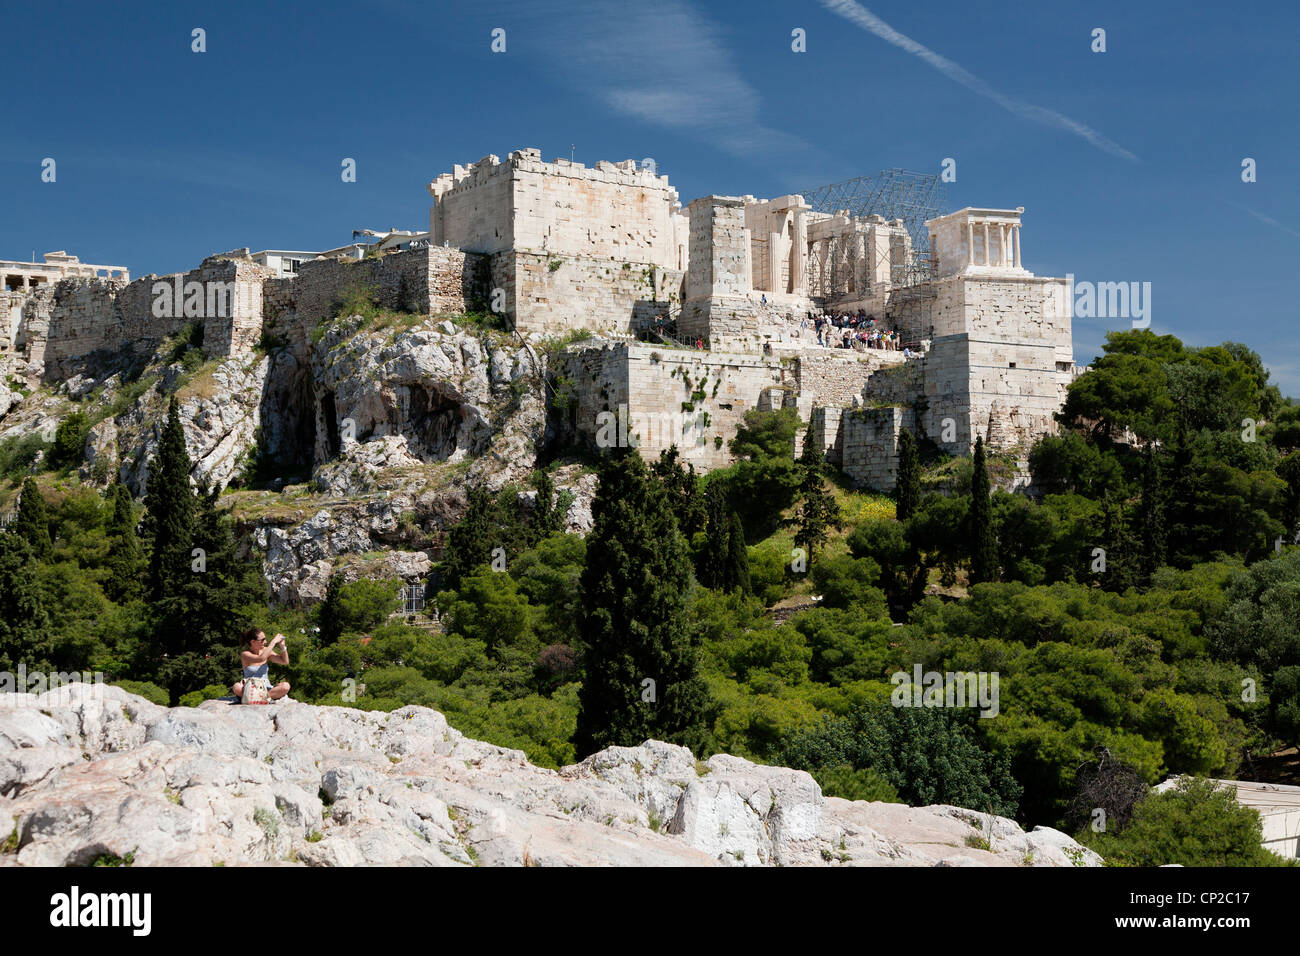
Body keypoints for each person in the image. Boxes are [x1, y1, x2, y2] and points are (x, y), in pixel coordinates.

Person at [231, 628, 291, 704]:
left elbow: (284, 661)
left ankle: (258, 697)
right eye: (262, 640)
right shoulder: (245, 654)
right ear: (253, 642)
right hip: (250, 688)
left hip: (265, 688)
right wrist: (273, 642)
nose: (265, 642)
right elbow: (261, 658)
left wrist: (283, 647)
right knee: (236, 687)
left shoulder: (266, 651)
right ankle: (262, 698)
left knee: (285, 686)